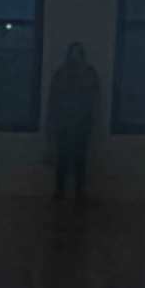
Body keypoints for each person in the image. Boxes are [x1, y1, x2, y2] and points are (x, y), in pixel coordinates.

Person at [46, 41, 101, 201]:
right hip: (64, 123)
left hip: (82, 124)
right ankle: (60, 192)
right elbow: (53, 99)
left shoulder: (88, 74)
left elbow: (94, 98)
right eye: (73, 53)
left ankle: (79, 193)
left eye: (77, 53)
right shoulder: (62, 74)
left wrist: (93, 120)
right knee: (62, 159)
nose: (75, 58)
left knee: (80, 160)